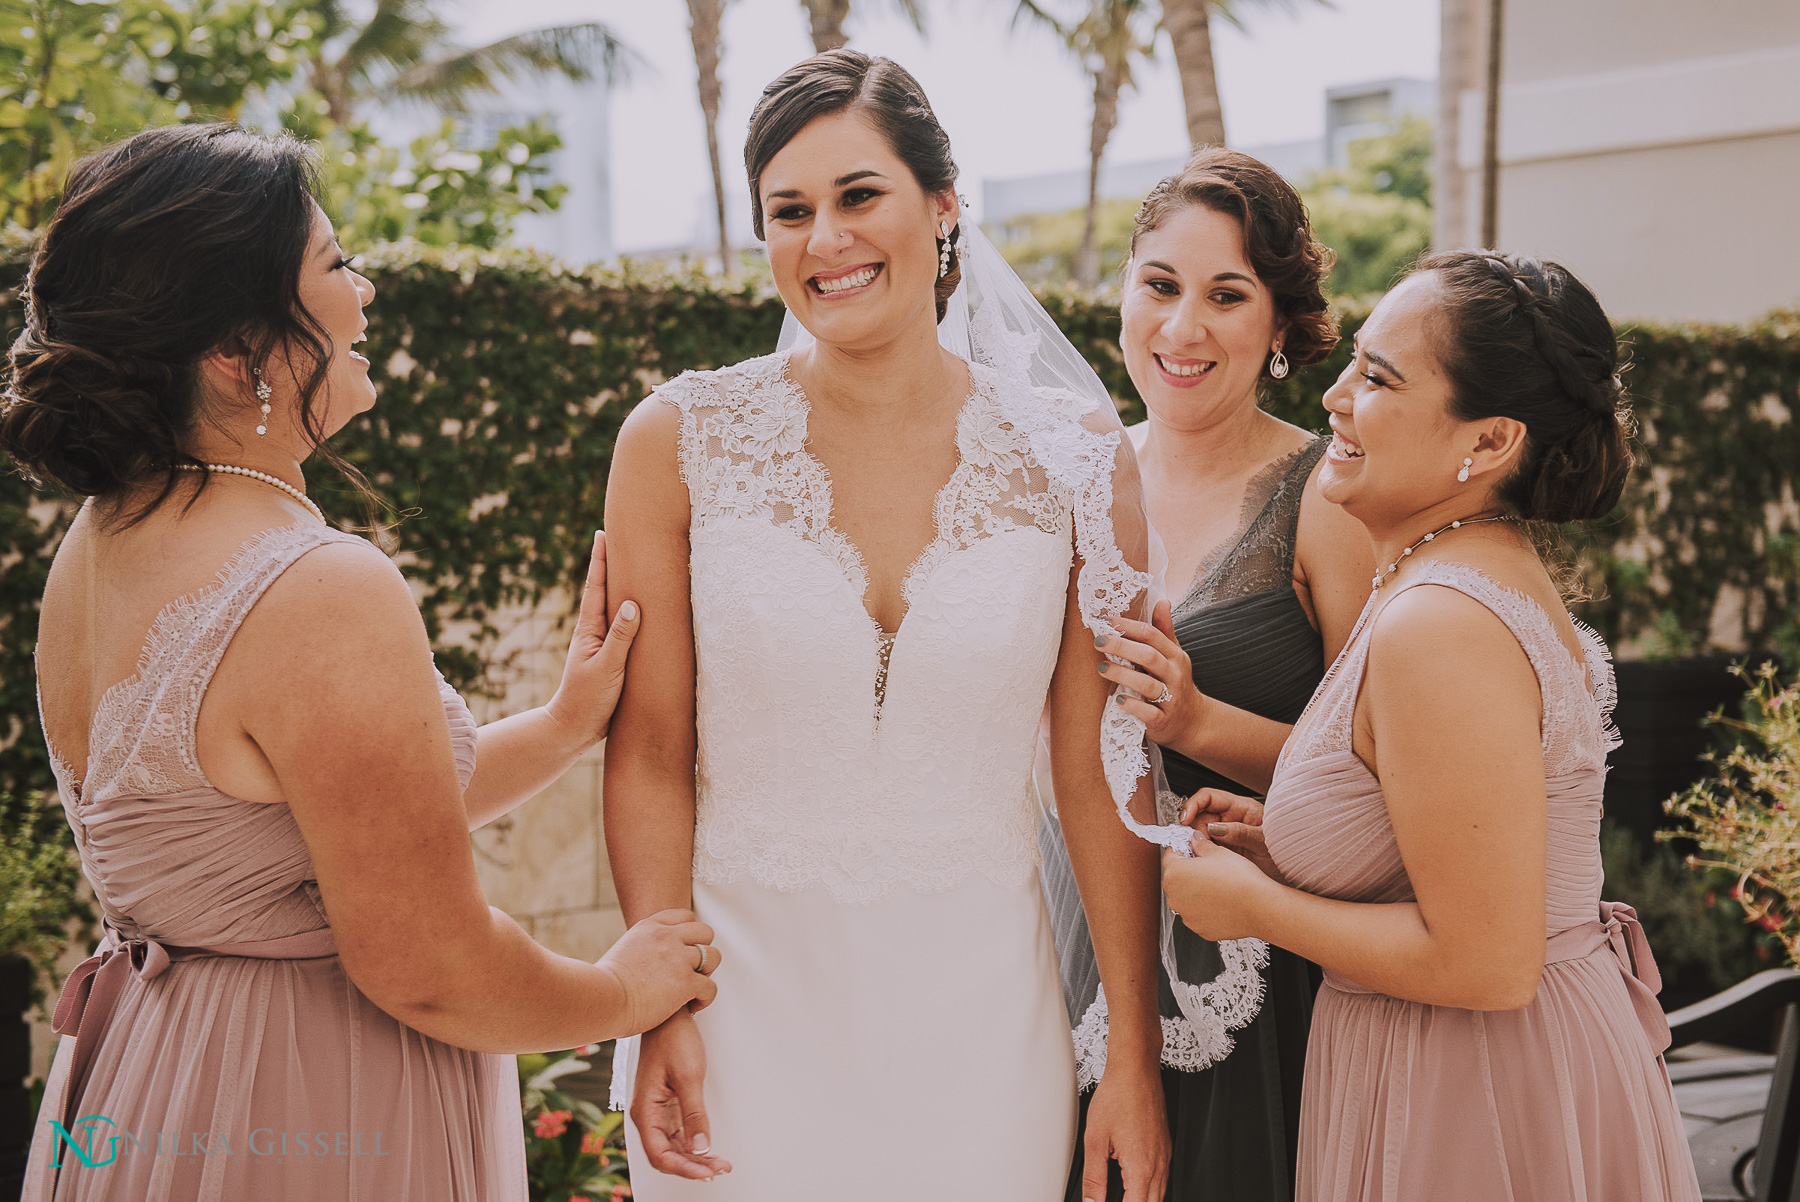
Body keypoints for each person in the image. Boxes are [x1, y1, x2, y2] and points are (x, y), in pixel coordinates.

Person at [4, 124, 718, 1202]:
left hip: (157, 1070)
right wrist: (621, 988)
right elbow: (431, 965)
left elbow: (323, 822)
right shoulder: (318, 585)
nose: (367, 289)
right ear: (241, 351)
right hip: (308, 1094)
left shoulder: (99, 542)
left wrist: (569, 723)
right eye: (335, 265)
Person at [602, 50, 1176, 1201]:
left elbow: (1098, 768)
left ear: (943, 205)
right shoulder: (676, 439)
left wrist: (1130, 1052)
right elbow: (653, 752)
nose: (825, 239)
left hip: (981, 1016)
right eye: (789, 210)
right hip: (735, 1003)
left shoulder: (1073, 452)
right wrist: (654, 1002)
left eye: (859, 196)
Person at [1160, 250, 1704, 1201]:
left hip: (1473, 1085)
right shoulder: (1455, 576)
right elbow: (1448, 848)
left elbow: (1487, 962)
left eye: (1377, 377)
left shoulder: (1438, 625)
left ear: (1490, 443)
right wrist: (1282, 846)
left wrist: (1252, 908)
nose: (1334, 397)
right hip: (1480, 1060)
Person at [1041, 148, 1372, 1201]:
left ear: (1280, 326)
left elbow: (1383, 776)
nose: (1182, 327)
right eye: (1161, 285)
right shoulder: (1067, 480)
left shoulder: (1327, 497)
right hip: (1059, 948)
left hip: (1261, 973)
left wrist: (1197, 715)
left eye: (1227, 295)